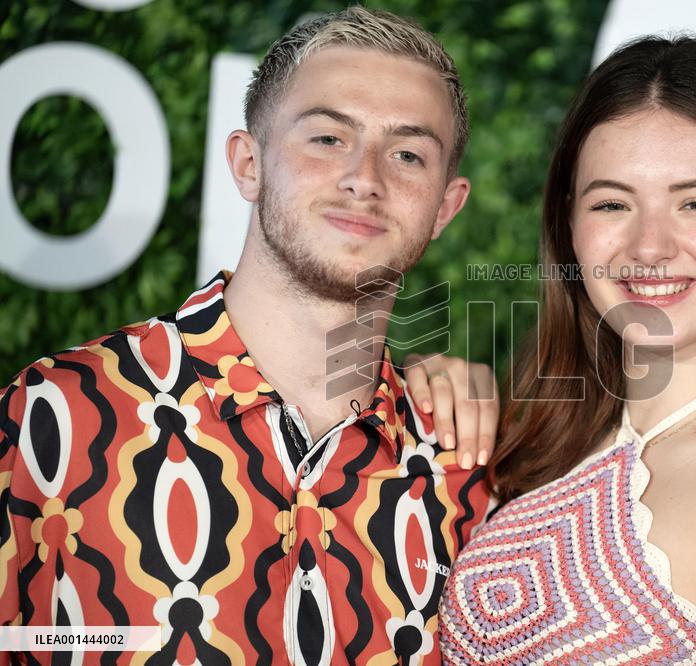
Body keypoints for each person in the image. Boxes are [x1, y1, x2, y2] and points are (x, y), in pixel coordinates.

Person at [0, 7, 495, 664]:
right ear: (247, 163)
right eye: (328, 138)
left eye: (408, 154)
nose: (365, 178)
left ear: (445, 207)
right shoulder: (52, 417)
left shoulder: (473, 478)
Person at [420, 36, 696, 664]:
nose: (650, 247)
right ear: (569, 227)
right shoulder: (541, 439)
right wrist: (417, 392)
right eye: (612, 203)